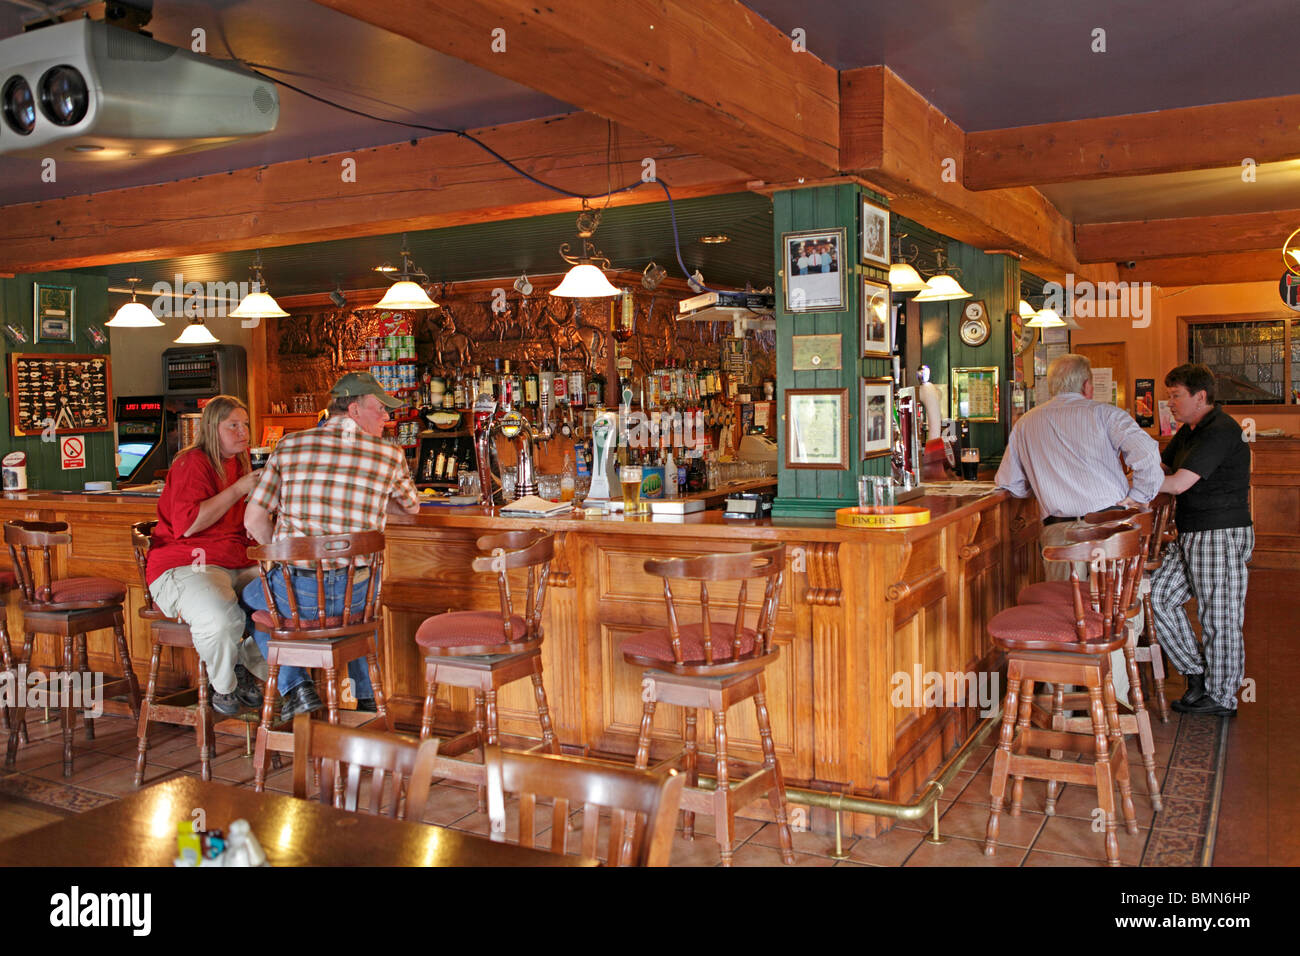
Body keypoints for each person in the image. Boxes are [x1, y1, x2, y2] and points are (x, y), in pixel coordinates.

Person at [243, 372, 420, 721]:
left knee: (246, 599)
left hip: (300, 598)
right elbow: (412, 508)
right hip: (360, 598)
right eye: (379, 409)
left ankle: (296, 689)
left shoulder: (289, 446)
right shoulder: (389, 454)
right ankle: (368, 699)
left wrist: (281, 557)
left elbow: (253, 520)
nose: (387, 416)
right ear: (353, 410)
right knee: (347, 618)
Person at [996, 353, 1164, 581]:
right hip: (1111, 527)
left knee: (1067, 608)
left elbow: (1010, 484)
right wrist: (1139, 495)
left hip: (1059, 532)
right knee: (1114, 608)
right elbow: (1147, 454)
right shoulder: (1107, 415)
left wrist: (1044, 482)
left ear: (1052, 387)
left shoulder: (1025, 424)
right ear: (1087, 386)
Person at [145, 395, 263, 716]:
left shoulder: (241, 460)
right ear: (213, 428)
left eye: (246, 424)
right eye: (234, 426)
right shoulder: (191, 463)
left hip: (236, 559)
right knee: (220, 617)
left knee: (284, 602)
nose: (243, 432)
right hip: (185, 562)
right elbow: (190, 524)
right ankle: (225, 687)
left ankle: (246, 667)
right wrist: (239, 489)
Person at [1149, 364, 1252, 717]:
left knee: (1218, 617)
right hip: (1192, 531)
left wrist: (1123, 487)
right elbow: (1163, 469)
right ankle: (1196, 675)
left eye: (1176, 396)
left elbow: (1177, 484)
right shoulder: (1190, 430)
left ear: (1201, 396)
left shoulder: (1220, 430)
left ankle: (1222, 696)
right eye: (1169, 395)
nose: (1170, 403)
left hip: (1218, 532)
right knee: (1158, 596)